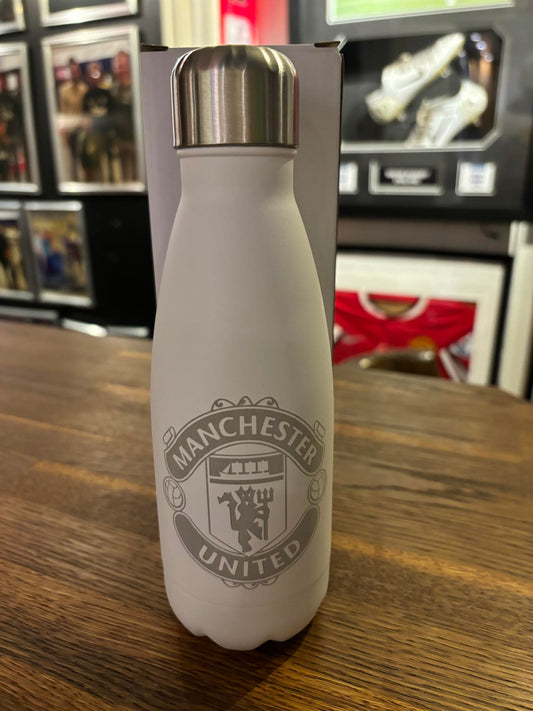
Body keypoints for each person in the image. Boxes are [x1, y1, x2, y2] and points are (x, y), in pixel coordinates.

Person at [58, 59, 89, 181]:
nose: (74, 74)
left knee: (83, 158)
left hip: (82, 128)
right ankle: (74, 181)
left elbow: (86, 110)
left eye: (76, 71)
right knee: (71, 160)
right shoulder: (63, 90)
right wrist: (64, 130)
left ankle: (85, 180)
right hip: (69, 129)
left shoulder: (84, 88)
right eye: (72, 71)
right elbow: (63, 110)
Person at [110, 50, 136, 182]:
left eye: (123, 66)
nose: (121, 69)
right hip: (120, 140)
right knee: (124, 178)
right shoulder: (112, 91)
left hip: (137, 140)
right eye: (118, 66)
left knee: (138, 175)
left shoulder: (137, 87)